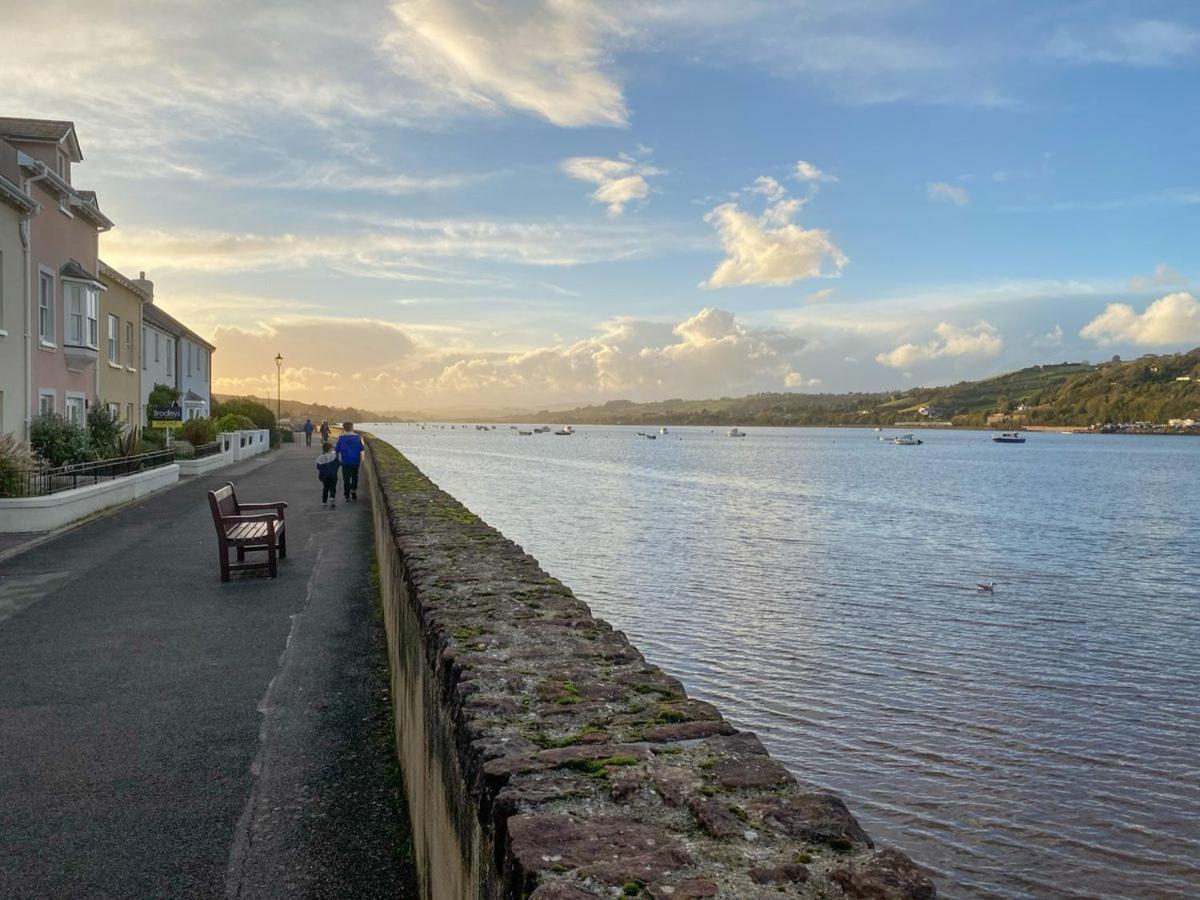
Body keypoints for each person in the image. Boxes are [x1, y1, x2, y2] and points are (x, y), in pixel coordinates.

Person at [334, 422, 365, 501]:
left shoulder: (341, 437)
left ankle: (347, 495)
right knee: (355, 476)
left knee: (346, 478)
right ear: (352, 427)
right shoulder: (357, 437)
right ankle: (353, 490)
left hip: (345, 461)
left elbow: (337, 449)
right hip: (355, 460)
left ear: (344, 428)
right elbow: (362, 448)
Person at [316, 441, 340, 508]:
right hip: (333, 475)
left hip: (325, 476)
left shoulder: (320, 457)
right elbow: (338, 464)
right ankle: (332, 498)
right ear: (330, 449)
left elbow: (318, 467)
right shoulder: (334, 455)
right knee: (333, 487)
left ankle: (324, 501)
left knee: (325, 488)